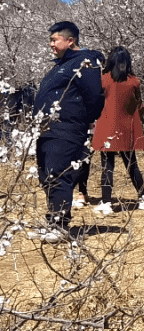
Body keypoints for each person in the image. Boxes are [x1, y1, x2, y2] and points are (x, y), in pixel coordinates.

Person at [29, 21, 105, 243]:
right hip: (47, 130)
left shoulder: (85, 62)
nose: (51, 44)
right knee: (47, 176)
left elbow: (94, 96)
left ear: (69, 40)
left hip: (66, 128)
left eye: (54, 40)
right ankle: (52, 221)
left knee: (57, 174)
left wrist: (81, 119)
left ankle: (60, 225)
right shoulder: (60, 65)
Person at [91, 46, 144, 214]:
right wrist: (141, 110)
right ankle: (143, 197)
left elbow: (95, 103)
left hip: (107, 128)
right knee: (132, 164)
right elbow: (138, 104)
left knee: (107, 166)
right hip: (126, 129)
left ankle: (106, 202)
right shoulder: (133, 81)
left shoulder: (102, 80)